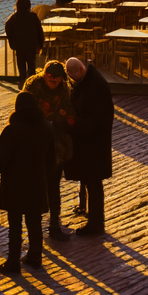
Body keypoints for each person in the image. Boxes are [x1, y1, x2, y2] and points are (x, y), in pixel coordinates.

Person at [0, 91, 54, 272]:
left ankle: (13, 262)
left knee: (15, 225)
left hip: (15, 186)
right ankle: (35, 256)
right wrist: (45, 179)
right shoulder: (46, 128)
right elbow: (51, 160)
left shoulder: (12, 130)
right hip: (37, 184)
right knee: (34, 222)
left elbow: (0, 163)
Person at [23, 61, 75, 240]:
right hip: (35, 143)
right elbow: (24, 109)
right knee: (36, 185)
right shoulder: (32, 85)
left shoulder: (65, 90)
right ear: (44, 75)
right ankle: (34, 227)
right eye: (50, 76)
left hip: (56, 143)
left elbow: (67, 112)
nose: (53, 80)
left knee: (53, 186)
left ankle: (54, 224)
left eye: (57, 77)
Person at [64, 57, 114, 236]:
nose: (71, 80)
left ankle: (96, 223)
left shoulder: (95, 85)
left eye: (72, 75)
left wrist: (75, 126)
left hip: (94, 143)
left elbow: (98, 119)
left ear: (80, 70)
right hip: (90, 143)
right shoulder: (88, 82)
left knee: (93, 182)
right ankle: (93, 220)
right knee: (91, 181)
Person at [4, 0, 45, 87]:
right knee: (32, 65)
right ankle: (32, 83)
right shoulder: (33, 16)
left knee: (21, 66)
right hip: (31, 46)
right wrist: (40, 44)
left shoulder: (14, 18)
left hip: (19, 47)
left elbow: (8, 27)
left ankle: (22, 81)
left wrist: (13, 41)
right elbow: (39, 31)